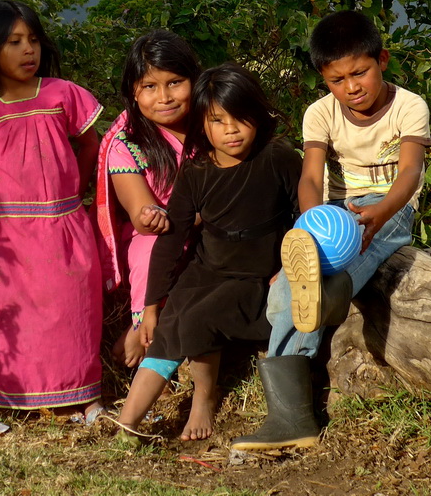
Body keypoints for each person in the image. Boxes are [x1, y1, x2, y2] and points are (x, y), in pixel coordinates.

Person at [232, 10, 431, 450]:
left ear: (382, 59)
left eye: (359, 73)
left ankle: (331, 289)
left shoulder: (410, 105)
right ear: (323, 79)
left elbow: (411, 174)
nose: (351, 87)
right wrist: (312, 226)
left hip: (389, 208)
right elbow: (309, 179)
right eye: (337, 80)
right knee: (289, 288)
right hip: (335, 212)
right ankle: (290, 418)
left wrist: (378, 214)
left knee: (330, 265)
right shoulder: (319, 113)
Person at [114, 65, 301, 443]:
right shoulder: (197, 170)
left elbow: (304, 214)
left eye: (240, 118)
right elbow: (172, 238)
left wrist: (289, 267)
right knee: (169, 322)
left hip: (255, 277)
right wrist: (151, 306)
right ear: (203, 123)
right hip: (208, 268)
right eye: (217, 121)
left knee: (199, 316)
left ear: (258, 115)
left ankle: (204, 398)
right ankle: (127, 424)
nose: (230, 130)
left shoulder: (276, 157)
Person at [0, 0, 104, 417]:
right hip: (7, 236)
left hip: (64, 225)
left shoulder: (62, 94)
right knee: (5, 312)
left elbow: (91, 143)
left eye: (32, 39)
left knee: (72, 310)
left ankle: (84, 396)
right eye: (14, 42)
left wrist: (76, 189)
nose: (27, 50)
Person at [95, 30, 202, 367]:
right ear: (132, 92)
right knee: (150, 247)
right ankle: (145, 330)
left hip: (218, 223)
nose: (164, 97)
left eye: (175, 82)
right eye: (150, 87)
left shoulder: (215, 124)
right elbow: (141, 213)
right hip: (164, 230)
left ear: (194, 81)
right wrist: (151, 217)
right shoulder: (126, 144)